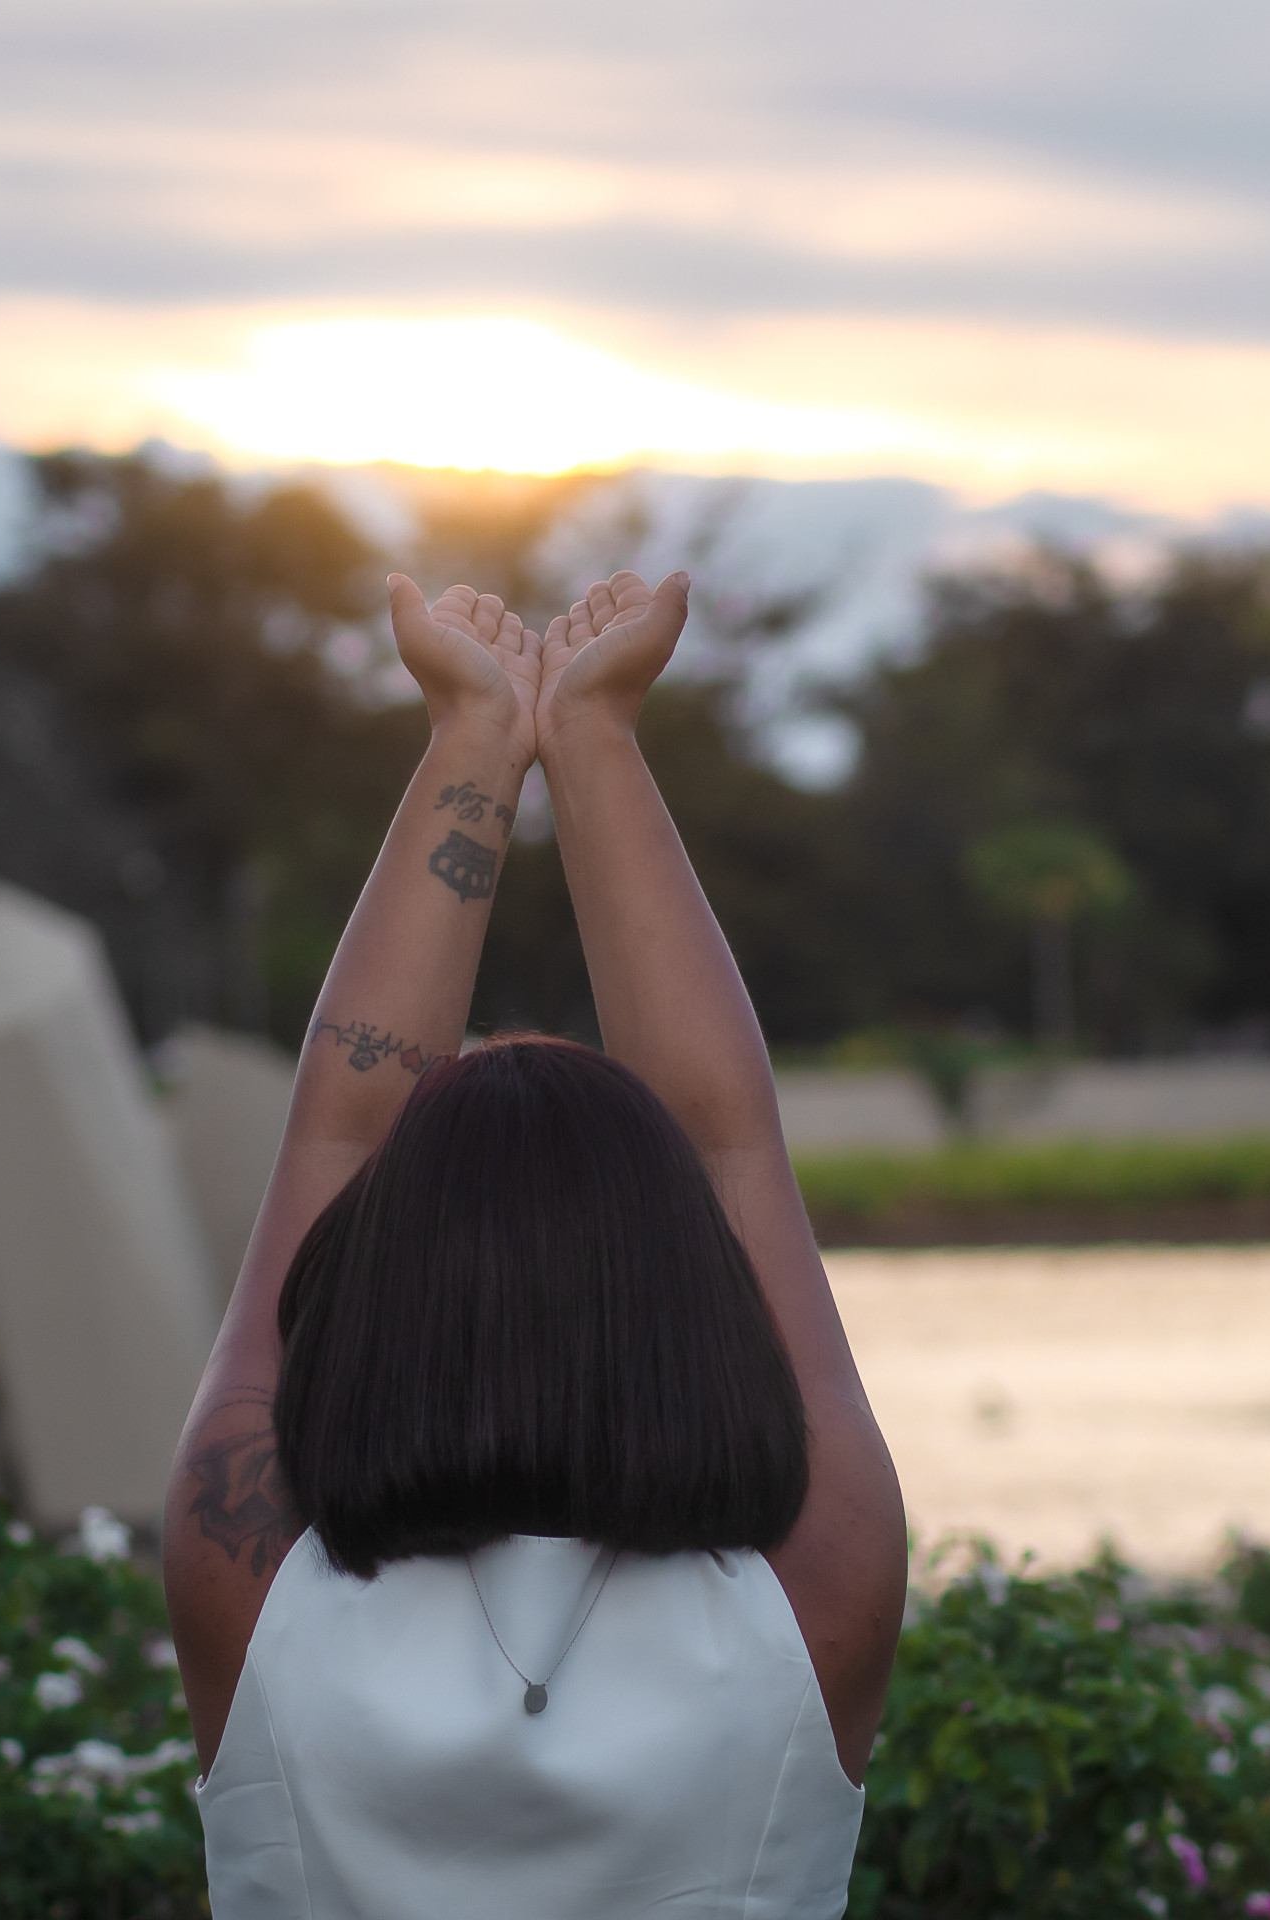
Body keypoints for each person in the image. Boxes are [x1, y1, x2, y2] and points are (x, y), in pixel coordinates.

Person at [163, 568, 908, 1918]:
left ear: (375, 1297)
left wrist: (472, 733)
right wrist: (598, 734)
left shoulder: (259, 1598)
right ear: (686, 1297)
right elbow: (728, 1136)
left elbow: (334, 1138)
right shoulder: (809, 1606)